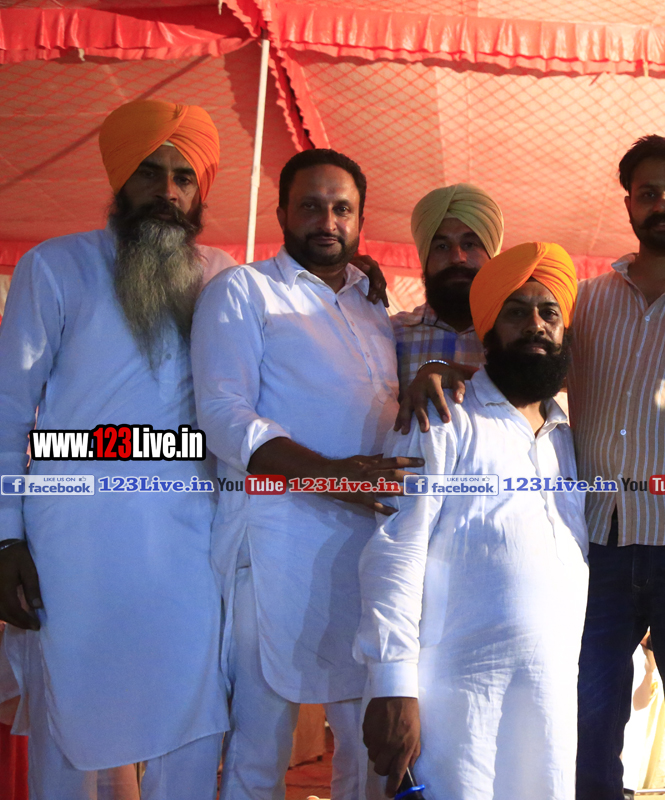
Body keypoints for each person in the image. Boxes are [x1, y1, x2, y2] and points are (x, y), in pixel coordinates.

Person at [396, 135, 665, 800]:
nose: (663, 204)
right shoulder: (586, 301)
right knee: (583, 730)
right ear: (628, 203)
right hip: (595, 551)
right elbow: (525, 358)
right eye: (649, 192)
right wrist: (441, 367)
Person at [0, 99, 230, 799]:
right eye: (149, 172)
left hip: (189, 539)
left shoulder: (223, 276)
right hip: (74, 537)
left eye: (183, 177)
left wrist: (356, 284)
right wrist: (5, 538)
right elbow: (8, 410)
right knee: (73, 720)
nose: (167, 191)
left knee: (192, 715)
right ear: (119, 180)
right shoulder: (54, 266)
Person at [191, 148, 416, 800]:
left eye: (342, 208)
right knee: (258, 751)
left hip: (366, 552)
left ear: (361, 219)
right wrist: (332, 476)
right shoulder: (244, 290)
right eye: (312, 206)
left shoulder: (373, 306)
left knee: (367, 754)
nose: (328, 220)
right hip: (274, 546)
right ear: (283, 212)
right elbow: (223, 415)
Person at [358, 242, 587, 800]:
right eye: (516, 312)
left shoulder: (566, 437)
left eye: (548, 312)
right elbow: (396, 551)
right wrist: (392, 683)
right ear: (488, 331)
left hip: (548, 709)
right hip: (452, 709)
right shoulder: (443, 417)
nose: (534, 325)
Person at [392, 184, 504, 388]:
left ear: (491, 256)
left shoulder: (514, 334)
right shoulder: (392, 334)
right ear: (425, 259)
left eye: (469, 244)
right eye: (442, 246)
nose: (457, 257)